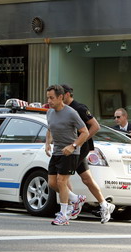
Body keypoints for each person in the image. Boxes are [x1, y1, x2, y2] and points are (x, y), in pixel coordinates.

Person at [61, 84, 115, 223]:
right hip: (74, 147)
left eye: (60, 94)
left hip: (78, 147)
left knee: (62, 177)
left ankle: (72, 205)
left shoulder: (79, 108)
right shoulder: (64, 109)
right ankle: (104, 204)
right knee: (86, 179)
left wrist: (80, 141)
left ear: (67, 94)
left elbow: (95, 126)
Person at [45, 84, 89, 226]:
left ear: (60, 97)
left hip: (70, 152)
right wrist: (47, 143)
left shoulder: (71, 113)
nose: (49, 101)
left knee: (61, 181)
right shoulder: (49, 113)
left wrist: (73, 146)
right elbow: (50, 129)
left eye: (52, 98)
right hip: (57, 151)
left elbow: (85, 132)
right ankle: (76, 198)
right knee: (52, 183)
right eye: (48, 98)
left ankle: (64, 214)